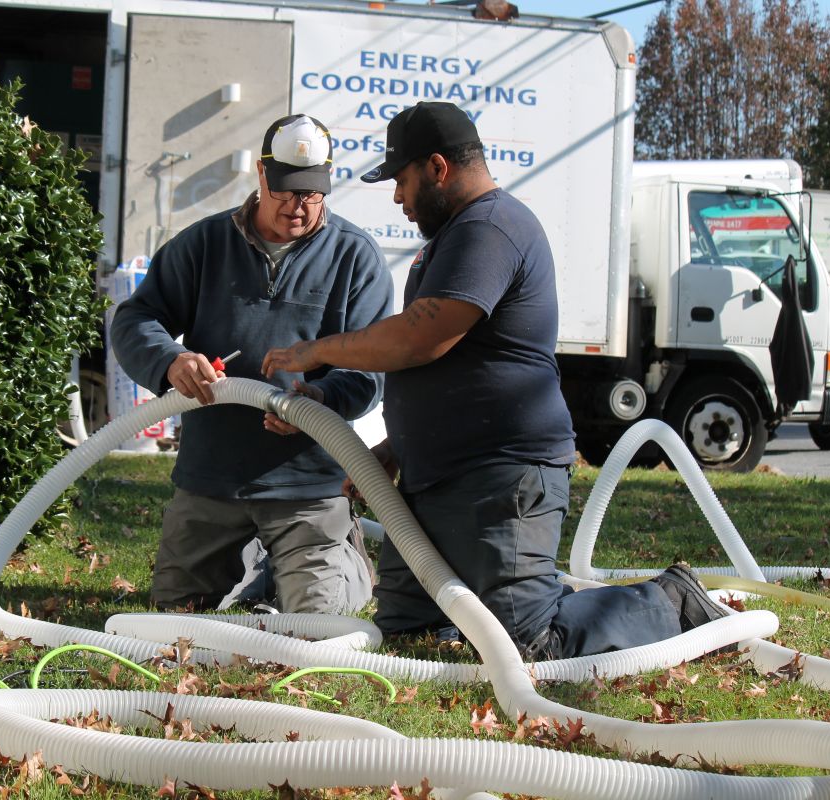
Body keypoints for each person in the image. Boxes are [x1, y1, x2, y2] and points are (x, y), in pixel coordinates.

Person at [261, 101, 727, 659]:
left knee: (530, 640)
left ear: (438, 168)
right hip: (440, 479)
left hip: (501, 477)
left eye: (403, 181)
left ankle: (673, 602)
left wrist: (315, 351)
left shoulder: (490, 228)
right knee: (408, 635)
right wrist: (395, 447)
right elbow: (452, 367)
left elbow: (420, 338)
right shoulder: (458, 234)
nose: (397, 198)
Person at [109, 113, 393, 615]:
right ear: (262, 175)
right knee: (177, 611)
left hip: (307, 485)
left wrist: (319, 401)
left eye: (311, 192)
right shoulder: (203, 245)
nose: (297, 207)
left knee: (318, 618)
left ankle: (340, 561)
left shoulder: (355, 257)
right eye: (284, 190)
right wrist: (171, 362)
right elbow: (135, 320)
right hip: (212, 476)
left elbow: (371, 370)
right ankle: (260, 568)